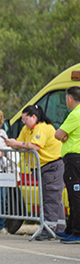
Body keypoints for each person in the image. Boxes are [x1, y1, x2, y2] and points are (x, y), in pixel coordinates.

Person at [5, 104, 65, 240]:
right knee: (54, 198)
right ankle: (59, 228)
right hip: (41, 167)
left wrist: (18, 144)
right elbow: (20, 143)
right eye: (22, 120)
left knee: (50, 198)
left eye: (25, 119)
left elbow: (35, 146)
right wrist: (15, 144)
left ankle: (48, 231)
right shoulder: (27, 129)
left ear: (34, 117)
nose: (24, 122)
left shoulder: (42, 128)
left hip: (52, 165)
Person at [54, 86, 80, 244]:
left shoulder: (75, 114)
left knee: (75, 195)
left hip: (74, 158)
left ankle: (77, 232)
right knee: (73, 194)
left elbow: (58, 134)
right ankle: (70, 228)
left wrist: (64, 137)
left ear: (70, 99)